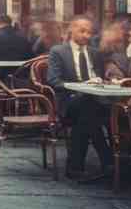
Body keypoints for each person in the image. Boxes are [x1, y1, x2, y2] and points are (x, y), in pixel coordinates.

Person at [46, 15, 112, 182]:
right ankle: (108, 161)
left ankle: (75, 167)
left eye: (89, 32)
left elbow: (100, 77)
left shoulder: (95, 53)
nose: (86, 36)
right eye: (82, 31)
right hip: (69, 100)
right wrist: (80, 86)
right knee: (87, 108)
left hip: (94, 101)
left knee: (87, 113)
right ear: (71, 29)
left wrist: (101, 81)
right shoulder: (58, 51)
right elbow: (54, 81)